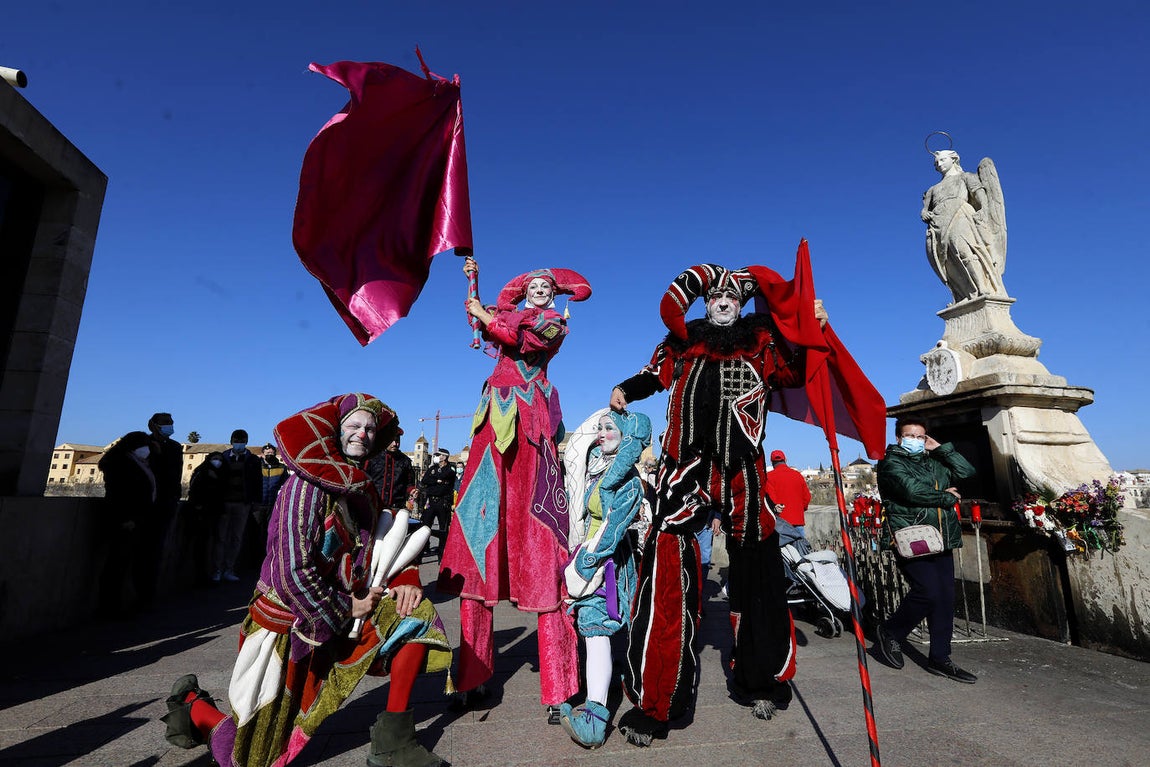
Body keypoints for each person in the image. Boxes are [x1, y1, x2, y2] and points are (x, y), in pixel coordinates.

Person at [161, 393, 452, 767]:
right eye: (354, 426)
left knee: (416, 616)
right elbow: (291, 572)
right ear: (335, 431)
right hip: (291, 624)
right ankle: (195, 707)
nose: (362, 434)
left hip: (345, 612)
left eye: (369, 429)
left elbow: (384, 538)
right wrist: (349, 605)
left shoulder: (360, 488)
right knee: (249, 760)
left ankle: (393, 743)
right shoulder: (305, 486)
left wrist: (409, 578)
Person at [609, 262, 827, 744]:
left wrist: (815, 330)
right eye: (715, 296)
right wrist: (625, 389)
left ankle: (761, 678)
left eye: (732, 296)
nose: (724, 302)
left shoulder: (762, 342)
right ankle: (657, 698)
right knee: (666, 569)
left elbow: (794, 374)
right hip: (683, 467)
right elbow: (653, 375)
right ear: (705, 303)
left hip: (743, 471)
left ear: (743, 303)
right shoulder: (682, 342)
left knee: (758, 572)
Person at [438, 256, 591, 720]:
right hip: (490, 427)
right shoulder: (507, 315)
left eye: (548, 285)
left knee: (542, 537)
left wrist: (488, 316)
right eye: (534, 285)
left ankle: (560, 685)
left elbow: (516, 339)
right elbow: (488, 326)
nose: (541, 289)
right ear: (524, 292)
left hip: (530, 426)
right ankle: (470, 676)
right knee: (478, 533)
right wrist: (475, 288)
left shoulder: (552, 325)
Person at [558, 408, 651, 748]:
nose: (602, 433)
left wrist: (589, 560)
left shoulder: (627, 481)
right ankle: (610, 681)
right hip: (586, 557)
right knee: (594, 629)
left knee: (596, 627)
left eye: (609, 428)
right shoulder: (596, 468)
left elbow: (613, 529)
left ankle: (595, 718)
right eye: (600, 428)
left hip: (607, 564)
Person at [874, 416, 978, 684]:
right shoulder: (891, 463)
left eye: (920, 437)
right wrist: (947, 497)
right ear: (899, 438)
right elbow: (912, 492)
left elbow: (967, 472)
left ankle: (940, 657)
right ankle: (891, 632)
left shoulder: (934, 462)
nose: (916, 441)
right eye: (910, 436)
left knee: (944, 597)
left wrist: (942, 448)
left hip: (941, 537)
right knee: (928, 591)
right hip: (911, 537)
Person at [921, 149, 1007, 303]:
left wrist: (984, 210)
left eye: (942, 160)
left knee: (963, 249)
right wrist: (925, 213)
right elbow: (925, 210)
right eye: (936, 163)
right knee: (948, 260)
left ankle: (982, 288)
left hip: (960, 214)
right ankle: (963, 294)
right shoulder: (932, 190)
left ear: (953, 159)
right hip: (938, 224)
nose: (939, 164)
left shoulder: (965, 177)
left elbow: (980, 194)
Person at [97, 431, 157, 616]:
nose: (147, 449)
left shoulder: (137, 462)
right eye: (144, 445)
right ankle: (111, 606)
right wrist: (126, 518)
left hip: (136, 519)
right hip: (125, 521)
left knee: (125, 562)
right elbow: (120, 494)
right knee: (118, 563)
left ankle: (122, 602)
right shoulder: (121, 464)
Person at [142, 412, 182, 608]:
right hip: (146, 504)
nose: (170, 426)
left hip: (167, 502)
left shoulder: (175, 447)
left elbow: (176, 475)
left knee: (158, 549)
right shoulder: (143, 445)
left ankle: (150, 594)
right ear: (154, 425)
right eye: (166, 423)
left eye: (171, 422)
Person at [213, 429, 262, 582]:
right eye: (237, 439)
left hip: (243, 503)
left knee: (236, 537)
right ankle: (217, 569)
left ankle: (229, 569)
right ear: (231, 440)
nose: (239, 442)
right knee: (220, 537)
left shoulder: (253, 460)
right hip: (224, 502)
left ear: (246, 441)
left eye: (242, 440)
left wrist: (256, 502)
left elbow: (257, 482)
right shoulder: (223, 457)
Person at [185, 451, 226, 586]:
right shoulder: (201, 472)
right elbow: (194, 491)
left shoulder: (221, 474)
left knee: (209, 544)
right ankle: (198, 575)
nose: (217, 461)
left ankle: (205, 574)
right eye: (214, 458)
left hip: (213, 513)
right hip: (201, 513)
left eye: (219, 459)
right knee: (200, 544)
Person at [765, 449, 812, 538]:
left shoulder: (769, 477)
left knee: (781, 551)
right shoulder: (798, 475)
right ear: (785, 460)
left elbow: (771, 500)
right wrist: (800, 510)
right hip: (798, 522)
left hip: (780, 525)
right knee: (802, 550)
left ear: (771, 462)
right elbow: (807, 497)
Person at [366, 430, 416, 510]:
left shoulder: (405, 461)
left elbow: (409, 483)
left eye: (397, 440)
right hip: (373, 507)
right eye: (392, 440)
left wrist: (412, 490)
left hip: (396, 508)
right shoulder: (371, 457)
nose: (395, 444)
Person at [420, 448, 455, 554]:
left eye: (439, 455)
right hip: (431, 501)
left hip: (443, 502)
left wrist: (437, 480)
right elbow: (424, 480)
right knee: (425, 525)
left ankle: (442, 549)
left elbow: (446, 476)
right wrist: (436, 480)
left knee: (443, 527)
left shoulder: (451, 468)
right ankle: (425, 547)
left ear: (444, 457)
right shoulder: (432, 468)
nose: (437, 457)